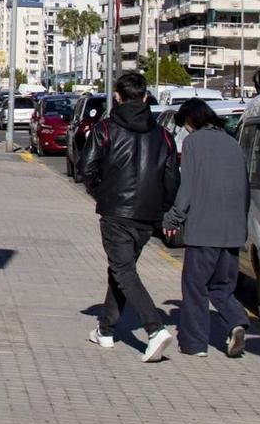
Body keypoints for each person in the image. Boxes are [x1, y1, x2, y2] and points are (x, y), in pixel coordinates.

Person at [74, 69, 181, 361]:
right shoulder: (164, 135)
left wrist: (102, 194)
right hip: (146, 216)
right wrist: (160, 207)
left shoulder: (105, 129)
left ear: (118, 98)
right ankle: (105, 330)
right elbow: (173, 180)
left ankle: (154, 328)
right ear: (145, 97)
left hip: (116, 213)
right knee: (121, 270)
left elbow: (85, 169)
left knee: (123, 271)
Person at [163, 99, 251, 358]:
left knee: (195, 287)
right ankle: (236, 321)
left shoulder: (194, 143)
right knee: (222, 286)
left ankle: (195, 344)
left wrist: (173, 218)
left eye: (186, 126)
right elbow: (244, 188)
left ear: (191, 121)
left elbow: (187, 186)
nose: (186, 132)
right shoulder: (232, 142)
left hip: (203, 229)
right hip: (233, 230)